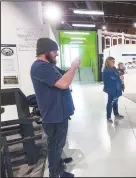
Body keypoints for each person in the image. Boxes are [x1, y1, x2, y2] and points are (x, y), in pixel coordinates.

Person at [30, 38, 80, 178]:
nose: (56, 55)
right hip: (53, 114)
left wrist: (72, 69)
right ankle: (55, 172)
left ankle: (57, 162)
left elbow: (65, 75)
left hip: (60, 112)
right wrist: (74, 66)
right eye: (54, 52)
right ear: (45, 52)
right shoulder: (40, 67)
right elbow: (64, 83)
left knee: (59, 143)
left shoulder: (50, 66)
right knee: (55, 144)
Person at [103, 57, 124, 123]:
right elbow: (113, 77)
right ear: (109, 62)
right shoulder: (106, 70)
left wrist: (121, 82)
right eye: (112, 61)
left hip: (116, 89)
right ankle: (108, 117)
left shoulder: (114, 68)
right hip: (111, 89)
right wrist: (119, 76)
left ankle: (116, 114)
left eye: (114, 61)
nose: (114, 63)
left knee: (115, 102)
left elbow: (117, 75)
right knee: (110, 103)